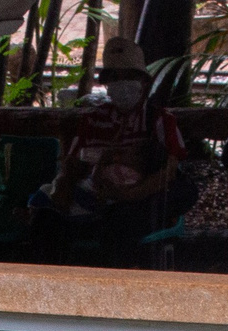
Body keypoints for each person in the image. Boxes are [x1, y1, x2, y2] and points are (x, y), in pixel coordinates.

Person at [34, 38, 195, 263]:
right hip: (92, 199)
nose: (121, 83)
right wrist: (64, 185)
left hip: (135, 201)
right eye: (115, 77)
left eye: (128, 76)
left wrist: (127, 194)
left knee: (120, 223)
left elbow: (168, 171)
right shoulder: (93, 119)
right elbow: (71, 164)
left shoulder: (159, 120)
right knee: (45, 222)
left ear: (143, 82)